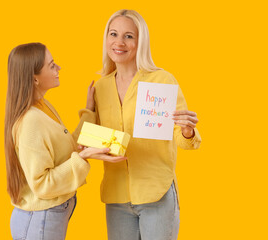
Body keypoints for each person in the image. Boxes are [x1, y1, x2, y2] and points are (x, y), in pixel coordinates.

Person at [83, 10, 202, 240]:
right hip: (116, 196)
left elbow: (184, 141)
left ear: (141, 42)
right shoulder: (101, 87)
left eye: (129, 36)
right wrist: (88, 111)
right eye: (113, 33)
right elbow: (91, 141)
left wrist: (188, 131)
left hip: (156, 194)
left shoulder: (162, 80)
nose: (119, 42)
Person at [4, 43, 126, 240]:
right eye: (52, 65)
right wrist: (83, 157)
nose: (58, 68)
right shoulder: (31, 121)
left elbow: (69, 146)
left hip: (47, 217)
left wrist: (89, 110)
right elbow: (42, 185)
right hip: (40, 220)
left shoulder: (42, 107)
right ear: (35, 78)